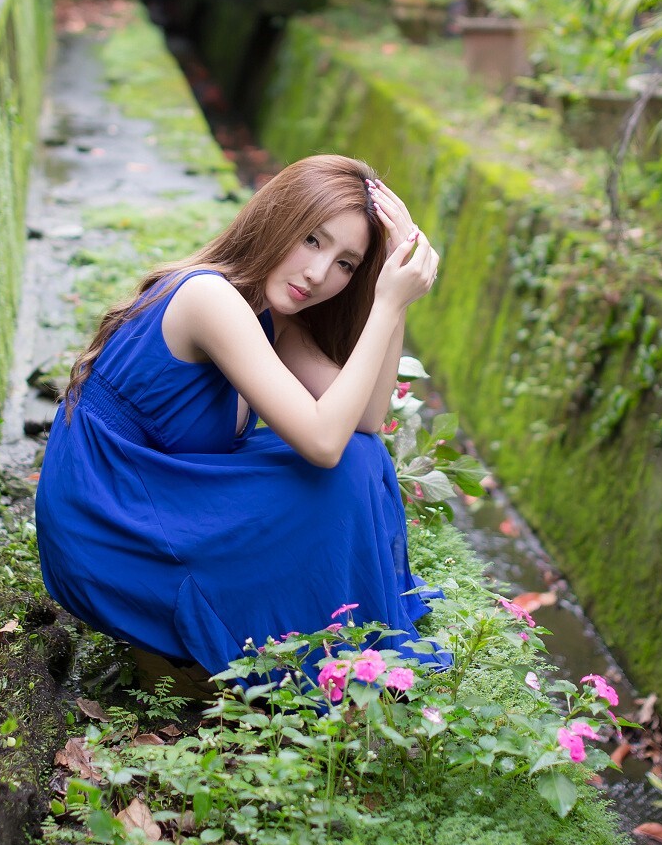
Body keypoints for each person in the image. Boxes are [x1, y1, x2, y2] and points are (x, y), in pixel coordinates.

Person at [35, 154, 444, 676]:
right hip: (105, 528)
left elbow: (364, 421)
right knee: (335, 467)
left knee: (360, 459)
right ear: (277, 218)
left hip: (159, 501)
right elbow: (323, 441)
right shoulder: (210, 298)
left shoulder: (273, 317)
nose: (319, 273)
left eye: (346, 263)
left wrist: (396, 290)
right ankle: (319, 658)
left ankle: (345, 649)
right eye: (312, 239)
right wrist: (384, 306)